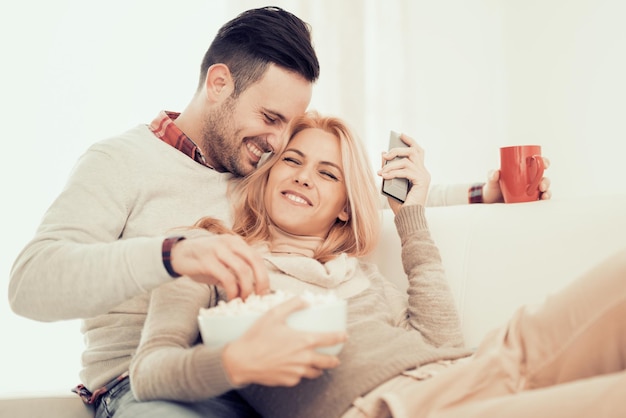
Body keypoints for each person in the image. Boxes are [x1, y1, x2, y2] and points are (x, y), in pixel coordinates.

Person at [7, 6, 552, 417]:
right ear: (218, 83)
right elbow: (31, 283)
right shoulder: (120, 162)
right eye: (269, 118)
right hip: (147, 379)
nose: (275, 144)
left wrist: (484, 196)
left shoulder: (256, 168)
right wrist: (173, 255)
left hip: (271, 384)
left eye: (286, 128)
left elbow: (342, 193)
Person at [128, 111, 624, 418]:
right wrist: (233, 363)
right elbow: (149, 371)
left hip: (477, 367)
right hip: (394, 409)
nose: (304, 178)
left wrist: (411, 214)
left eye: (327, 173)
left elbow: (443, 346)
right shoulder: (207, 249)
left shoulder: (357, 273)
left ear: (345, 204)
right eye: (292, 161)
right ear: (266, 171)